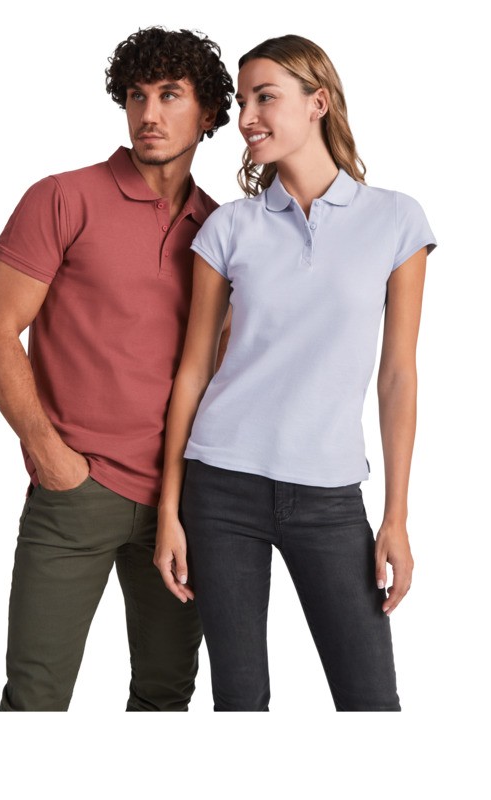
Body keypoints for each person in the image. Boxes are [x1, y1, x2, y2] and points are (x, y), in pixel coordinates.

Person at [154, 34, 436, 711]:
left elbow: (397, 376)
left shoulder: (395, 220)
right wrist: (169, 509)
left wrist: (395, 516)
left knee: (370, 703)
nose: (247, 117)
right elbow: (192, 372)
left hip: (329, 498)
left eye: (265, 98)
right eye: (242, 103)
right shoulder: (229, 228)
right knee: (240, 703)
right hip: (220, 490)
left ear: (318, 102)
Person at [0, 26, 233, 712]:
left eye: (170, 95)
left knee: (165, 694)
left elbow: (224, 365)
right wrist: (49, 453)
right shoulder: (62, 197)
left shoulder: (220, 229)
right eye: (136, 96)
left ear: (207, 111)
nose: (149, 113)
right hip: (75, 491)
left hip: (181, 499)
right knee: (34, 700)